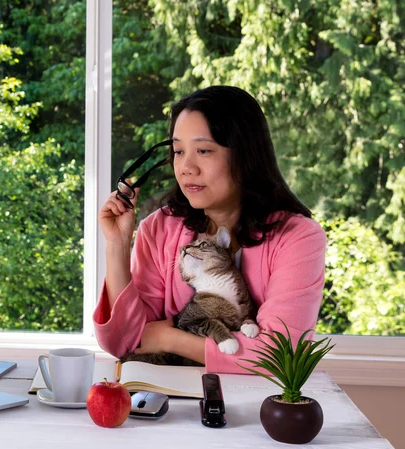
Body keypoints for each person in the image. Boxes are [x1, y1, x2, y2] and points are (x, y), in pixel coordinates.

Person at [93, 86, 326, 373]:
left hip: (258, 409)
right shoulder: (159, 228)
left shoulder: (298, 237)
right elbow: (126, 341)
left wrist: (170, 339)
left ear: (245, 155)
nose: (186, 167)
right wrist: (117, 245)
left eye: (203, 150)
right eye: (178, 151)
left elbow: (280, 356)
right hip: (172, 407)